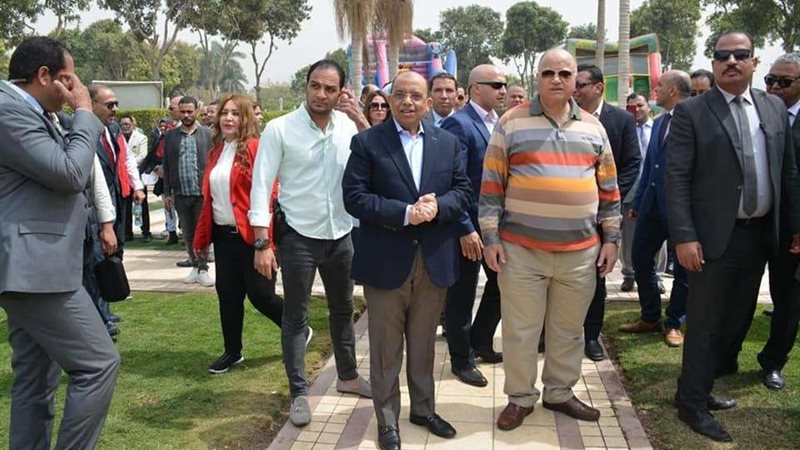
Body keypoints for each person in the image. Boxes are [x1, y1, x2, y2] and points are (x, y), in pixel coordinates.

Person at [667, 32, 800, 442]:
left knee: (734, 321)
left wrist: (796, 226)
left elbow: (788, 172)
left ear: (754, 62)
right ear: (714, 62)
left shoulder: (772, 107)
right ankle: (691, 403)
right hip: (709, 240)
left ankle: (700, 388)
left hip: (759, 237)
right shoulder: (692, 111)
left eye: (740, 54)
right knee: (704, 323)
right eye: (722, 55)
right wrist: (684, 237)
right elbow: (676, 179)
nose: (731, 61)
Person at [480, 48, 621, 431]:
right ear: (537, 78)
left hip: (580, 254)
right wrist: (490, 237)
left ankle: (559, 392)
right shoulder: (511, 122)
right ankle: (520, 398)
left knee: (568, 330)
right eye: (548, 73)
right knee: (520, 331)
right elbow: (491, 186)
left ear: (576, 80)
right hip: (521, 252)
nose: (556, 79)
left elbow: (609, 190)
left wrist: (611, 239)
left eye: (564, 73)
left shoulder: (594, 128)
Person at [0, 36, 120, 449]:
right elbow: (70, 172)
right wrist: (85, 110)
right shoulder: (8, 111)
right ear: (44, 75)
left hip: (35, 266)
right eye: (68, 79)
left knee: (35, 380)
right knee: (99, 364)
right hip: (35, 268)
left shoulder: (31, 112)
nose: (75, 88)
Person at [343, 70, 472, 450]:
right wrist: (404, 213)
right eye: (399, 94)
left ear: (428, 102)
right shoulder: (367, 142)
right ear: (390, 99)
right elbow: (354, 197)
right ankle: (387, 420)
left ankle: (423, 409)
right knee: (386, 348)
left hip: (433, 261)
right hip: (386, 262)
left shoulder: (447, 143)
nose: (407, 102)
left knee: (423, 343)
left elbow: (463, 191)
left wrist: (438, 207)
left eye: (416, 96)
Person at [249, 59, 371, 427]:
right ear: (306, 86)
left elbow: (378, 157)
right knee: (295, 316)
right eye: (315, 86)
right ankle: (299, 392)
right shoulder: (280, 129)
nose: (321, 94)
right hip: (298, 238)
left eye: (330, 88)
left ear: (341, 92)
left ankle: (348, 376)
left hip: (341, 235)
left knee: (343, 309)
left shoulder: (348, 127)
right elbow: (261, 185)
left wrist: (361, 119)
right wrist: (261, 243)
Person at [192, 95, 286, 374]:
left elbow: (268, 197)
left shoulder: (256, 148)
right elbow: (209, 200)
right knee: (228, 296)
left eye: (235, 113)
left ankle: (296, 328)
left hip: (253, 237)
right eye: (224, 113)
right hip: (224, 237)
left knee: (261, 295)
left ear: (246, 118)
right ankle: (232, 352)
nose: (228, 118)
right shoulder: (216, 151)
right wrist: (200, 238)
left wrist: (264, 243)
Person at [441, 64, 507, 388]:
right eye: (496, 84)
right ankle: (461, 360)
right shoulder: (459, 123)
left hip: (496, 223)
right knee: (462, 295)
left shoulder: (499, 122)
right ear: (476, 88)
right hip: (467, 226)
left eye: (504, 84)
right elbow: (454, 181)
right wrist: (465, 227)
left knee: (502, 284)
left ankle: (480, 340)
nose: (503, 90)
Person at [573, 63, 641, 361]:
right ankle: (548, 335)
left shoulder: (621, 120)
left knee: (596, 276)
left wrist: (605, 197)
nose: (574, 90)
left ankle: (591, 336)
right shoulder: (563, 116)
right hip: (568, 214)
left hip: (603, 215)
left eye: (580, 85)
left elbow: (632, 163)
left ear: (598, 87)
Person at [619, 71, 692, 348]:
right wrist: (639, 203)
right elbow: (650, 165)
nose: (655, 89)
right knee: (639, 258)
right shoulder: (660, 122)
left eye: (659, 85)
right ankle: (650, 316)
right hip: (651, 207)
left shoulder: (695, 119)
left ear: (673, 90)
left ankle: (674, 323)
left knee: (683, 270)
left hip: (681, 209)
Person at [747, 53, 800, 390]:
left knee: (788, 300)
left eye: (784, 81)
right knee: (739, 295)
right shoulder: (756, 111)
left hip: (793, 231)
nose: (775, 87)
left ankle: (773, 362)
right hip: (753, 221)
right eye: (770, 80)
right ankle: (725, 354)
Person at [162, 95, 215, 287]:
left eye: (189, 111)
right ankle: (195, 266)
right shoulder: (170, 136)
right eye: (182, 111)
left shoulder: (208, 135)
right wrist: (167, 193)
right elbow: (166, 165)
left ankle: (203, 268)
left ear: (197, 111)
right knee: (188, 233)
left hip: (202, 194)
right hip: (180, 193)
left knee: (203, 233)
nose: (186, 115)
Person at [622, 93, 666, 294]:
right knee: (629, 237)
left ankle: (655, 275)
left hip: (653, 190)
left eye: (640, 105)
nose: (637, 110)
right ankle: (629, 274)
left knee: (657, 236)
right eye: (632, 107)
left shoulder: (658, 127)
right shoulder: (626, 129)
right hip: (630, 191)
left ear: (648, 106)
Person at [121, 114, 152, 241]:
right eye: (122, 125)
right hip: (123, 176)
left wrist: (127, 163)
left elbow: (142, 156)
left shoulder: (141, 138)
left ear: (133, 124)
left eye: (127, 124)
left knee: (142, 203)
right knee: (126, 205)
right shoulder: (118, 137)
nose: (125, 127)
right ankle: (127, 232)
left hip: (137, 174)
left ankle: (146, 231)